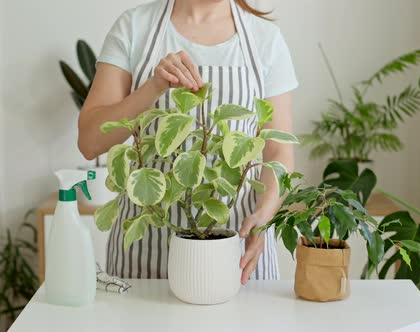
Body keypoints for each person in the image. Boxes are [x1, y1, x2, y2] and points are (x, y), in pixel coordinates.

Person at [78, 0, 298, 284]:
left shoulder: (264, 39)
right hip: (146, 256)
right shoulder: (135, 27)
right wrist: (154, 86)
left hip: (238, 255)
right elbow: (90, 141)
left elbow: (278, 148)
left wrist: (266, 213)